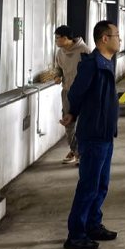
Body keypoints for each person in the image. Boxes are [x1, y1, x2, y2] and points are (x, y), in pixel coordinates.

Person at [60, 21, 121, 249]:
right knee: (88, 186)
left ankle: (93, 225)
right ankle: (75, 235)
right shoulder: (92, 64)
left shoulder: (108, 61)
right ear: (104, 38)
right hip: (93, 133)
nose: (119, 39)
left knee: (101, 185)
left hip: (105, 133)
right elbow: (76, 92)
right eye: (116, 35)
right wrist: (72, 113)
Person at [53, 25, 91, 165]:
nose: (55, 41)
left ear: (65, 38)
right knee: (68, 124)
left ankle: (81, 152)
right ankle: (75, 151)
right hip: (67, 92)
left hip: (83, 93)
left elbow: (91, 73)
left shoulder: (84, 51)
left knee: (82, 124)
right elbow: (58, 68)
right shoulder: (59, 53)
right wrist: (57, 76)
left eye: (57, 38)